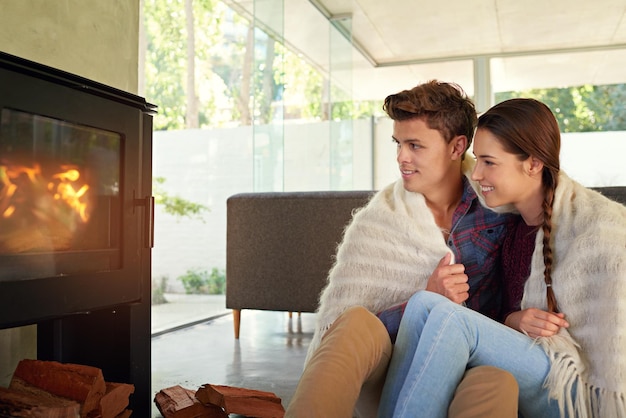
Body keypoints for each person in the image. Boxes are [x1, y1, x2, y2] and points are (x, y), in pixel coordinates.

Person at [378, 98, 626, 418]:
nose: (477, 173)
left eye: (489, 162)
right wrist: (514, 320)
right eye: (477, 160)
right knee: (424, 303)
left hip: (577, 387)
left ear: (533, 163)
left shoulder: (596, 228)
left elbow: (605, 339)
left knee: (450, 318)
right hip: (532, 366)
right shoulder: (511, 229)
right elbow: (504, 318)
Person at [285, 80, 519, 418]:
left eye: (415, 146)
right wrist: (424, 300)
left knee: (497, 381)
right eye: (398, 144)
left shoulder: (497, 214)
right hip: (392, 367)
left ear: (457, 147)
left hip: (469, 363)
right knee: (353, 324)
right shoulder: (378, 221)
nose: (401, 158)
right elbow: (340, 325)